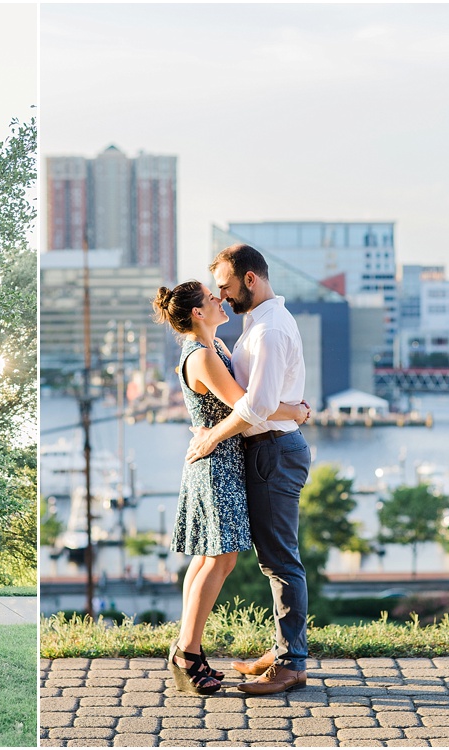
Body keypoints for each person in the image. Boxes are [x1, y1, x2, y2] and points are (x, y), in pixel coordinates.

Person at [152, 280, 309, 695]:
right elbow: (246, 402)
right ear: (198, 313)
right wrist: (293, 409)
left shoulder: (214, 348)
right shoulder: (203, 355)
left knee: (210, 559)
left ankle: (187, 649)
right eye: (211, 296)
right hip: (216, 464)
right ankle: (187, 651)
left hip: (221, 459)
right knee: (218, 560)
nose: (220, 298)